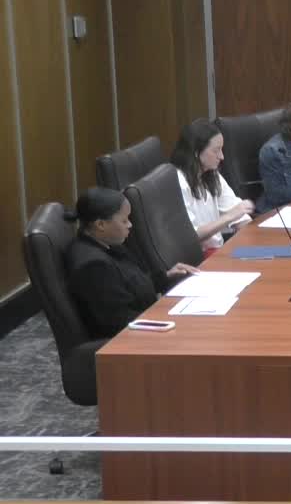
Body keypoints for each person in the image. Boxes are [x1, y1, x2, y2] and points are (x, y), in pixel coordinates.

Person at [64, 187, 200, 339]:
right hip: (129, 340)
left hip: (145, 323)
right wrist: (169, 317)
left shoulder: (106, 243)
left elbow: (132, 285)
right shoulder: (93, 266)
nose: (130, 225)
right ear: (100, 224)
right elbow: (119, 321)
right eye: (124, 220)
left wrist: (166, 277)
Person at [171, 118, 255, 253]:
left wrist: (254, 239)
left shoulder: (212, 174)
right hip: (199, 257)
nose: (222, 157)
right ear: (196, 152)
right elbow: (192, 235)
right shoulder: (179, 183)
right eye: (216, 150)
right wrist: (230, 216)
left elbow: (238, 213)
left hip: (219, 250)